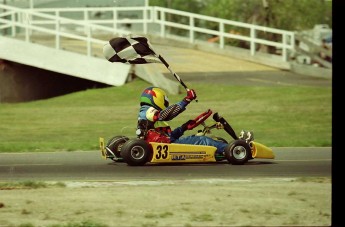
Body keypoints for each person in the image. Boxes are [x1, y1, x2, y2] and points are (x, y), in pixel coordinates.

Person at [136, 86, 229, 156]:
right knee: (202, 140)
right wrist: (186, 100)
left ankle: (221, 148)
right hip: (167, 146)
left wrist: (183, 128)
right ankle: (229, 149)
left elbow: (169, 137)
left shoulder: (148, 116)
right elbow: (165, 115)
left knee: (196, 136)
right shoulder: (148, 111)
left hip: (164, 144)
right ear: (157, 98)